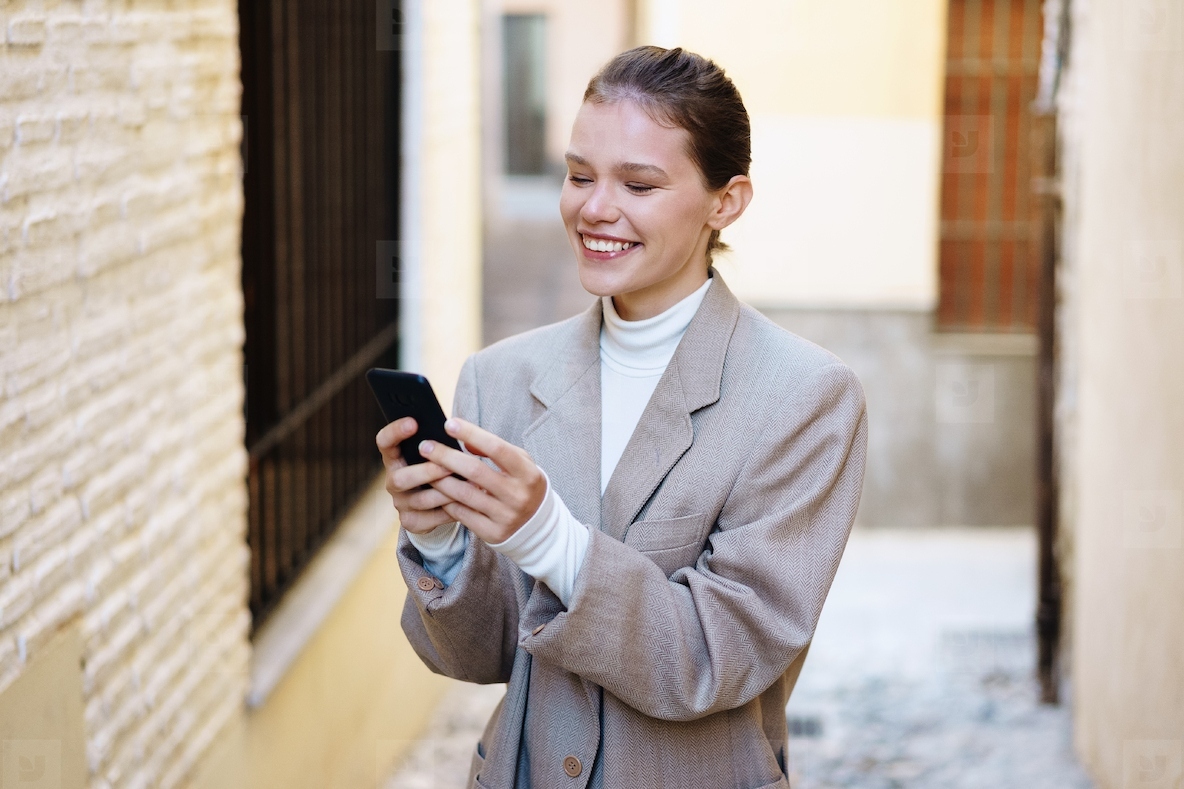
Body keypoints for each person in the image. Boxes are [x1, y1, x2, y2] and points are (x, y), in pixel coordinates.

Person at [377, 45, 868, 789]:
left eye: (638, 183)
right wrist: (439, 539)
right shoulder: (499, 378)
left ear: (726, 201)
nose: (594, 208)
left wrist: (547, 536)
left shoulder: (805, 398)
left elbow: (716, 653)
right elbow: (477, 657)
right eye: (578, 175)